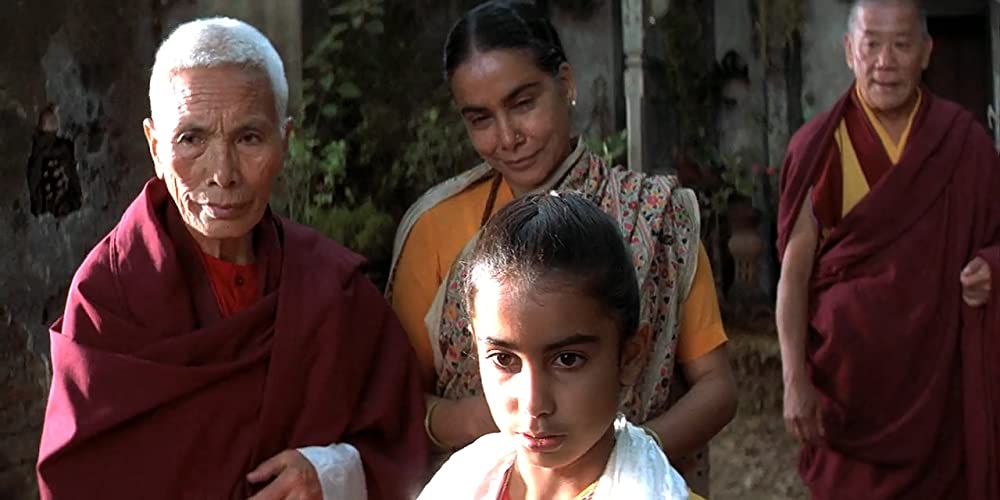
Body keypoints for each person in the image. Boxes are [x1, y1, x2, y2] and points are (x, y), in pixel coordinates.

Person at [36, 17, 426, 500]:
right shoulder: (109, 295)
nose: (222, 175)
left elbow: (402, 446)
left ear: (284, 142)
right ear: (155, 146)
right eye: (191, 140)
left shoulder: (332, 288)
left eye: (249, 138)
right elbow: (78, 478)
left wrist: (332, 473)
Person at [387, 1, 736, 493]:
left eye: (523, 103)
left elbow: (716, 387)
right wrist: (487, 425)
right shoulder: (435, 227)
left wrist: (617, 457)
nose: (507, 137)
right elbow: (394, 399)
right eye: (480, 118)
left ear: (566, 84)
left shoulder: (656, 216)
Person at [776, 1, 1000, 498]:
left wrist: (991, 267)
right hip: (847, 394)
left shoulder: (964, 145)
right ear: (849, 51)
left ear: (926, 52)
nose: (886, 60)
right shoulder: (818, 147)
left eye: (901, 45)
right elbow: (793, 273)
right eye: (872, 43)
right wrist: (794, 378)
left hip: (939, 395)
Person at [418, 192, 695, 500]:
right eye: (503, 359)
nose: (533, 404)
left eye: (567, 359)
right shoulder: (458, 486)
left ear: (630, 357)